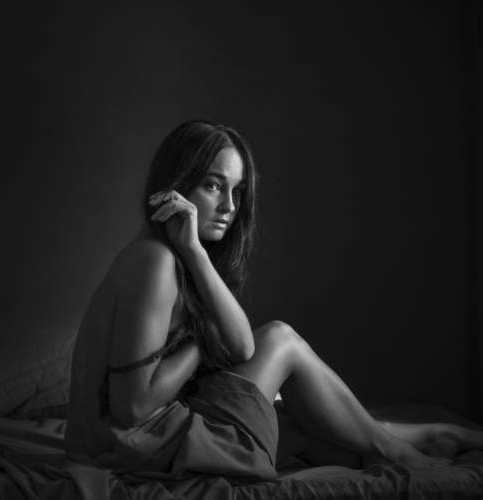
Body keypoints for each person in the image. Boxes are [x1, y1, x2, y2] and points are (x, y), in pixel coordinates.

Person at [65, 119, 483, 478]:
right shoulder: (154, 261)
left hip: (131, 444)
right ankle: (400, 451)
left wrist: (194, 256)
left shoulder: (171, 257)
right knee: (281, 340)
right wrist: (201, 340)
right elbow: (133, 408)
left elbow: (239, 346)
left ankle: (419, 439)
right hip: (129, 450)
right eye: (213, 185)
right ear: (176, 185)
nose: (230, 206)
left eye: (238, 191)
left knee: (302, 425)